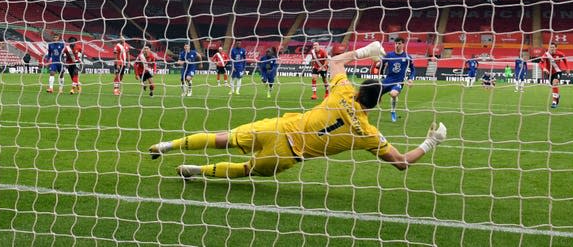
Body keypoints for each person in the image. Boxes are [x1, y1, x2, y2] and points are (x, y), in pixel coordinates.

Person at [148, 41, 447, 179]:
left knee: (220, 138)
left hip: (278, 127)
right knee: (246, 170)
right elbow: (401, 163)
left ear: (358, 90)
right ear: (375, 104)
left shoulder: (343, 91)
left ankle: (167, 145)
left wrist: (364, 51)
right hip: (288, 154)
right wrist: (430, 142)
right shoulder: (368, 134)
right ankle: (196, 171)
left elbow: (334, 63)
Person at [379, 37, 415, 122]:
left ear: (403, 44)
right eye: (396, 43)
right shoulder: (389, 55)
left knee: (394, 94)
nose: (397, 45)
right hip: (388, 80)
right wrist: (379, 64)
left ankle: (393, 111)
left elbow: (413, 69)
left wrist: (410, 79)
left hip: (399, 81)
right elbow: (381, 65)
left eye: (399, 43)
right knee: (375, 95)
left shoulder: (407, 57)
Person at [539, 42, 570, 108]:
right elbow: (540, 63)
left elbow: (565, 60)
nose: (552, 48)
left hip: (558, 72)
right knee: (553, 86)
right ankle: (557, 96)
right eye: (550, 47)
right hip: (549, 73)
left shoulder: (560, 54)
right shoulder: (546, 54)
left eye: (553, 47)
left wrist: (567, 68)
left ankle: (554, 102)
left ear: (556, 48)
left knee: (554, 83)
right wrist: (544, 68)